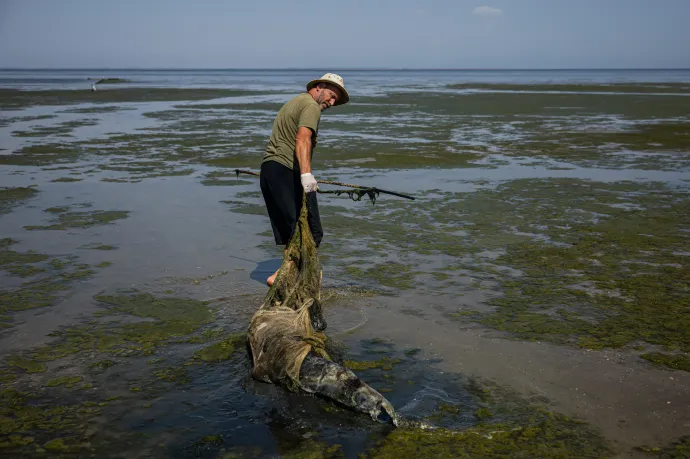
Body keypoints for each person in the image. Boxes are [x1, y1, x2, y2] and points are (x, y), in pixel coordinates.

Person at [260, 73, 350, 287]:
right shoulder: (310, 106)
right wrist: (306, 175)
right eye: (331, 95)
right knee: (311, 230)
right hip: (285, 170)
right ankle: (281, 277)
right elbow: (303, 138)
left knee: (294, 230)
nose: (332, 101)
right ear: (319, 87)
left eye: (336, 99)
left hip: (271, 170)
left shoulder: (294, 102)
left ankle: (287, 276)